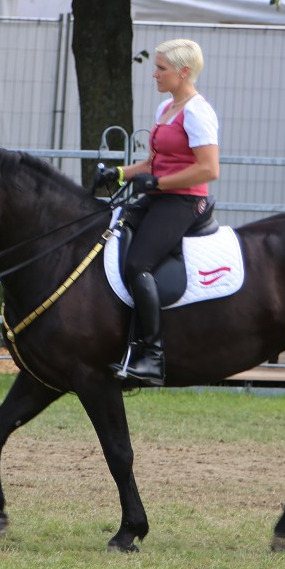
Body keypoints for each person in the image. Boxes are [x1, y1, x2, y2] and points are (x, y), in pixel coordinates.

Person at [94, 38, 219, 386]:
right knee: (106, 235)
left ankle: (152, 355)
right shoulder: (166, 109)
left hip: (183, 201)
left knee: (138, 264)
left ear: (183, 72)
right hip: (159, 196)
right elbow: (153, 163)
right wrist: (119, 173)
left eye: (161, 68)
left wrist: (159, 184)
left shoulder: (198, 111)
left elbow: (209, 169)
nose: (155, 74)